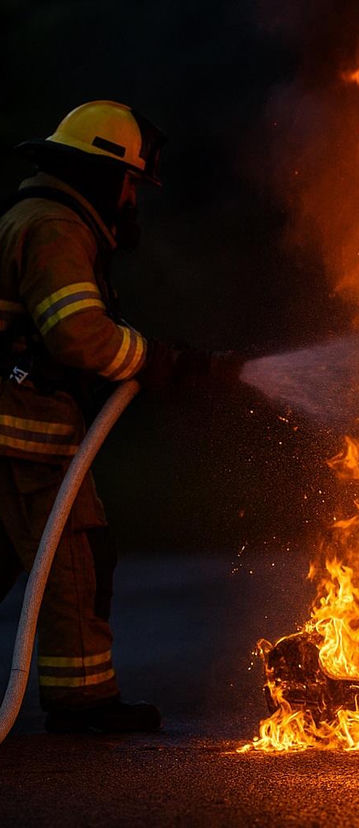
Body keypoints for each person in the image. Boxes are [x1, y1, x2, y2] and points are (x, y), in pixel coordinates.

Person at [0, 101, 241, 733]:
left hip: (19, 435)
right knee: (75, 558)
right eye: (132, 183)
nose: (134, 199)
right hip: (24, 441)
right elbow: (79, 336)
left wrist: (162, 362)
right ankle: (83, 705)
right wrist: (152, 359)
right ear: (105, 176)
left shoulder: (38, 218)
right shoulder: (55, 228)